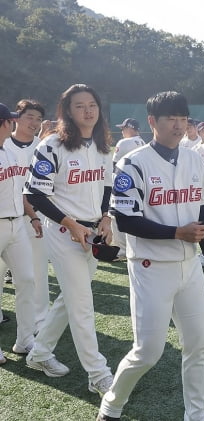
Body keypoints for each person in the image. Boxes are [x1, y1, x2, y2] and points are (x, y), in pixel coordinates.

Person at [97, 91, 204, 421]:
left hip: (190, 266)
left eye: (183, 119)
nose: (179, 125)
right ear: (152, 121)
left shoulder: (195, 157)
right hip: (150, 267)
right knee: (148, 352)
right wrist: (176, 232)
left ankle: (197, 414)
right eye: (171, 119)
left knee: (198, 346)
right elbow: (124, 219)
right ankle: (112, 404)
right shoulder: (133, 162)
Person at [24, 84, 114, 395]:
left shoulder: (102, 146)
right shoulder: (52, 145)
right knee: (82, 305)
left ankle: (39, 353)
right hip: (63, 233)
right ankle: (98, 373)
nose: (88, 110)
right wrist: (71, 224)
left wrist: (105, 217)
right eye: (79, 106)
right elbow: (35, 193)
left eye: (92, 104)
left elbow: (106, 187)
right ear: (67, 111)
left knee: (70, 299)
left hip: (91, 234)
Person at [0, 102, 38, 360]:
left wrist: (33, 216)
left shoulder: (9, 153)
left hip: (17, 225)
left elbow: (19, 193)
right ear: (5, 123)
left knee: (26, 279)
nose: (13, 123)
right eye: (10, 120)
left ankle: (25, 340)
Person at [111, 118, 145, 259]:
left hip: (123, 183)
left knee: (116, 215)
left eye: (124, 128)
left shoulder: (124, 142)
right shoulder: (142, 142)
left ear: (130, 128)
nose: (122, 131)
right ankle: (132, 248)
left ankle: (122, 249)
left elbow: (113, 165)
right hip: (138, 184)